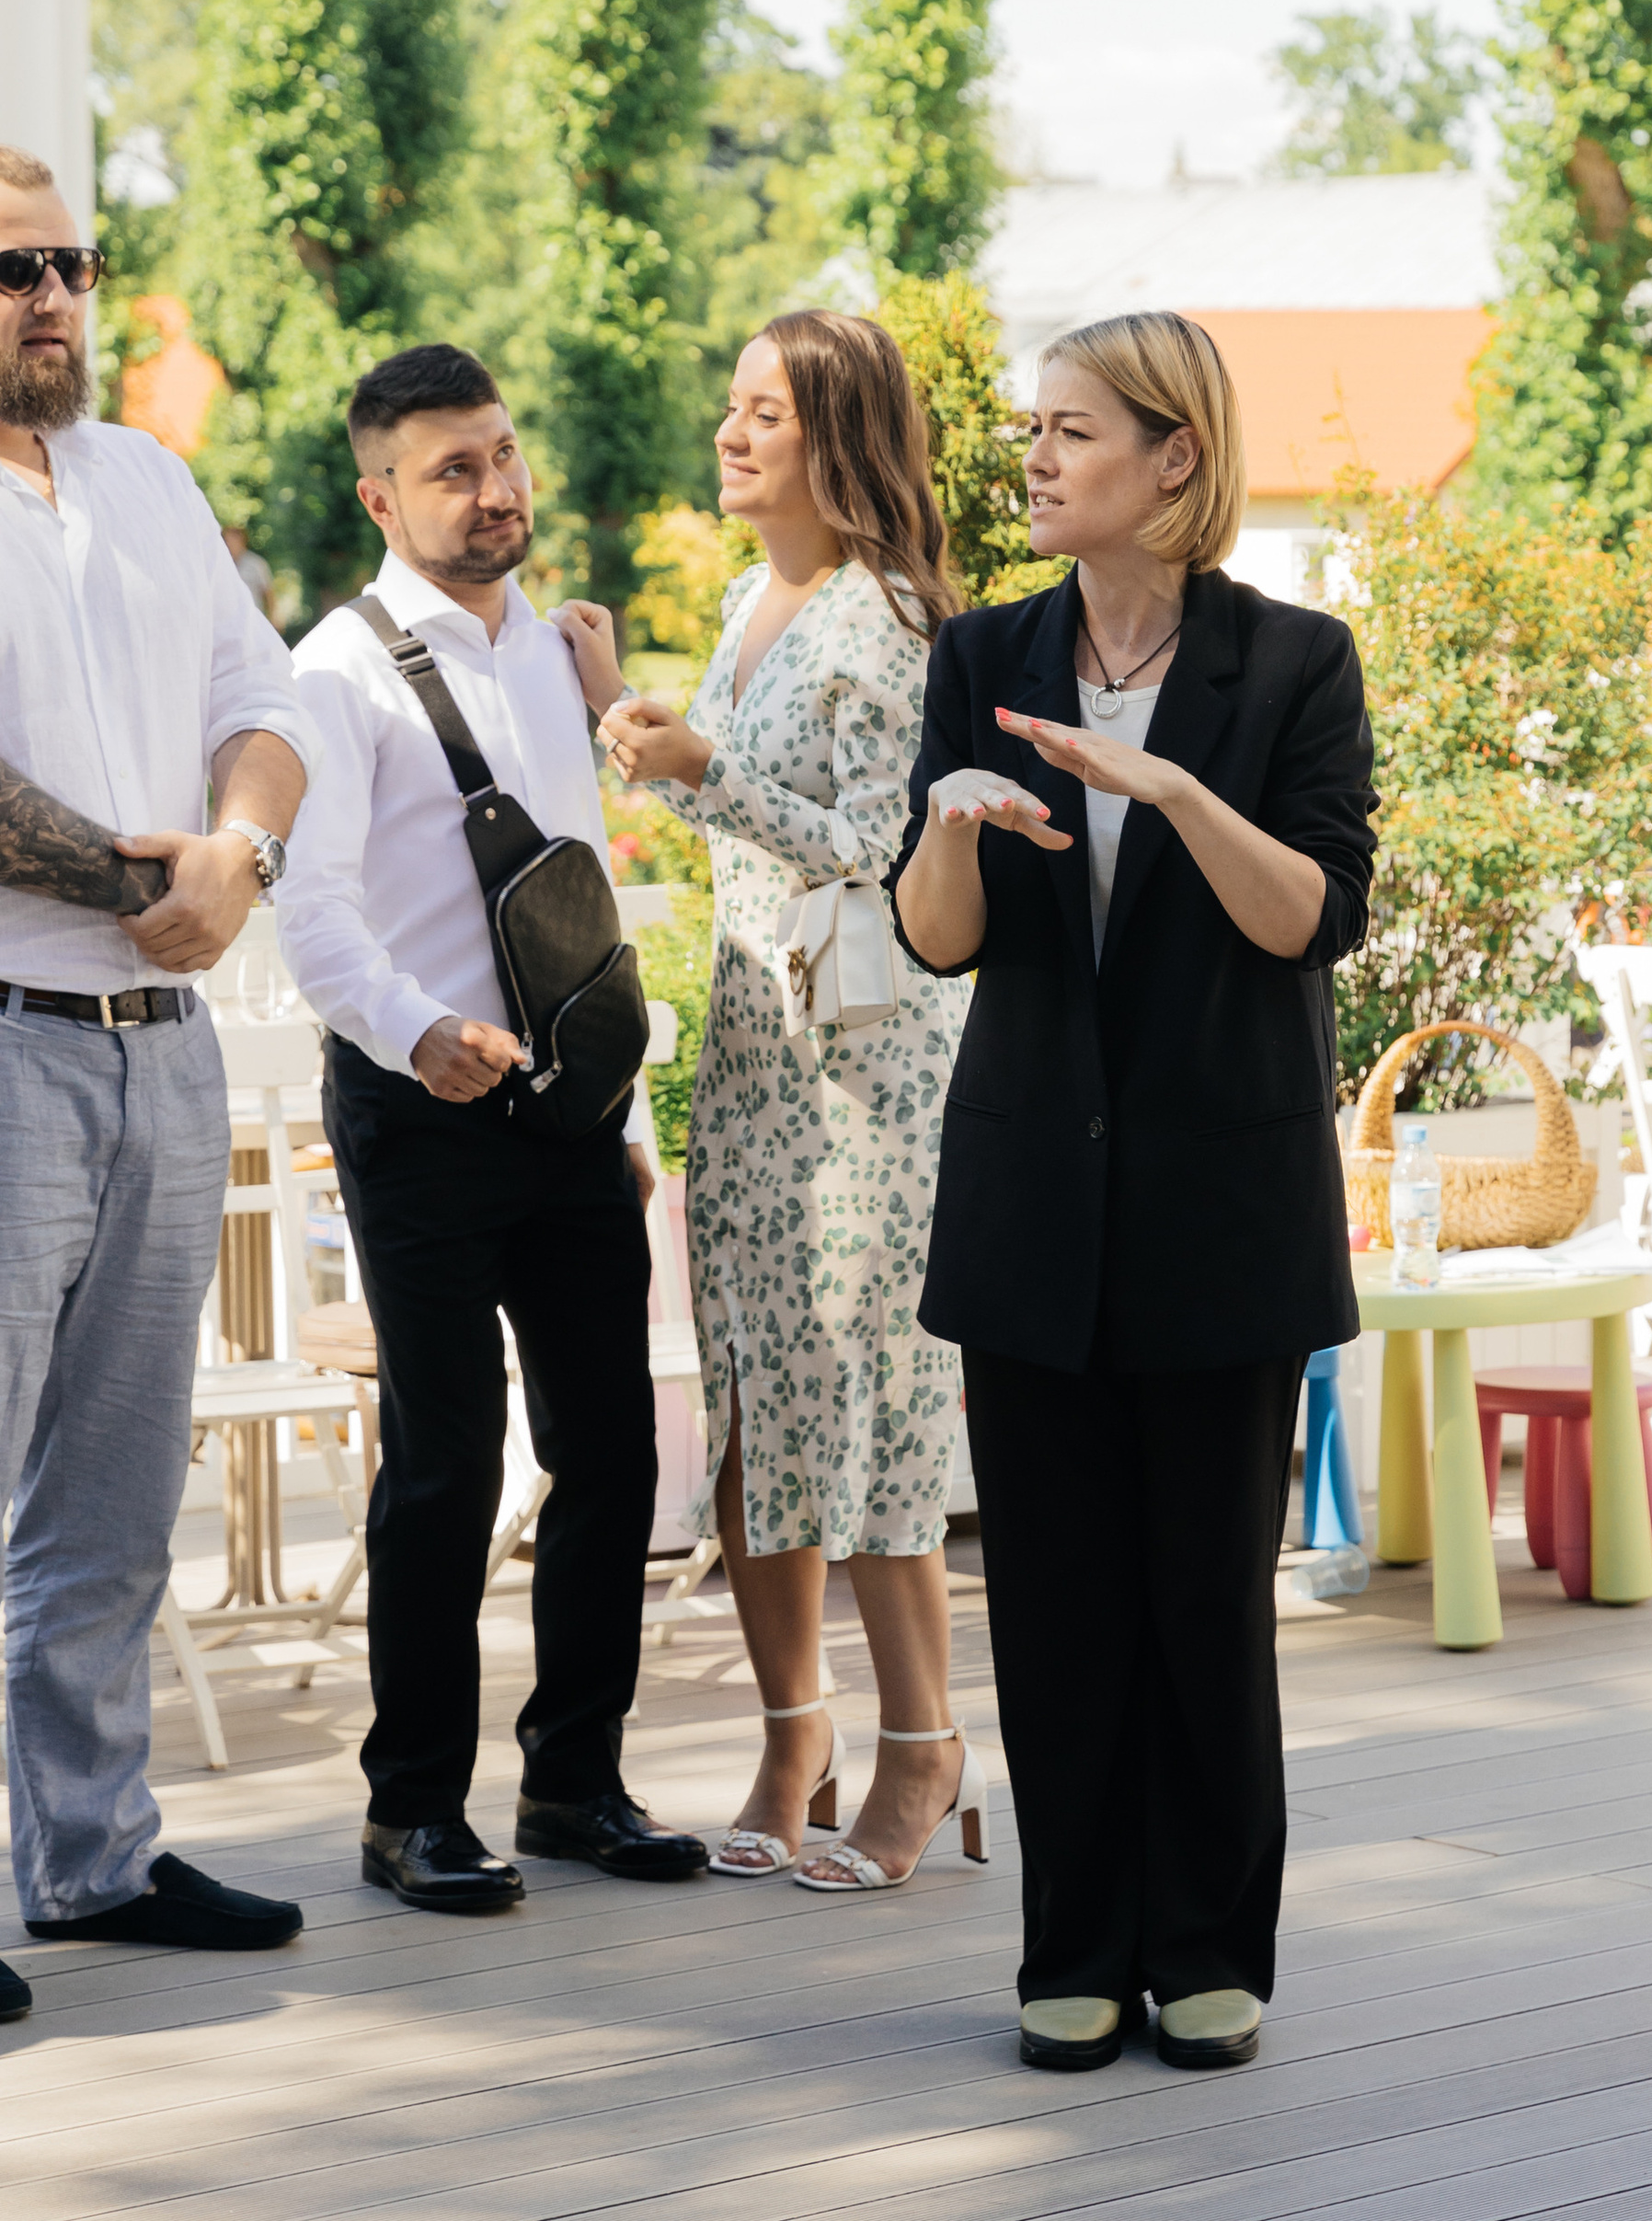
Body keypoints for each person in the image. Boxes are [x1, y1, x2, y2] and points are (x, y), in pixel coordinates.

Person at [891, 310, 1375, 2076]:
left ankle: (1209, 1950)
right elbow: (935, 943)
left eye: (1072, 431)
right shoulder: (981, 651)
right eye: (1033, 428)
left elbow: (1312, 917)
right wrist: (950, 821)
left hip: (1221, 1217)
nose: (1034, 458)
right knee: (1059, 1605)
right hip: (1030, 1212)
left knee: (1201, 1609)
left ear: (1174, 458)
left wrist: (1165, 786)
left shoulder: (1296, 663)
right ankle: (1073, 1948)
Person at [275, 344, 705, 1916]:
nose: (497, 487)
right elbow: (308, 919)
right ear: (380, 495)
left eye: (505, 454)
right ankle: (411, 1813)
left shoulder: (555, 651)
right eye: (455, 468)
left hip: (572, 1120)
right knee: (446, 1468)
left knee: (608, 1450)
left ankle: (576, 1783)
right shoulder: (332, 673)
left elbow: (580, 917)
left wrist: (625, 1108)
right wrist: (420, 1033)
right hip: (421, 1114)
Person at [569, 313, 981, 1894]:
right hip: (753, 1050)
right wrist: (624, 704)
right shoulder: (753, 599)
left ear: (841, 439)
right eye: (729, 405)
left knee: (869, 1400)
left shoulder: (886, 618)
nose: (731, 434)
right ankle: (792, 1734)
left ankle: (924, 1747)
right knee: (753, 1402)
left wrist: (690, 771)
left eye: (767, 413)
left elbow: (881, 841)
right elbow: (730, 800)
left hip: (869, 1070)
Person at [0, 144, 310, 2009]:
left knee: (114, 1502)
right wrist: (150, 878)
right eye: (8, 269)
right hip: (9, 1043)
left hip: (162, 1060)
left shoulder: (149, 480)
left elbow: (260, 710)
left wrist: (237, 859)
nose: (47, 298)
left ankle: (93, 1862)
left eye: (67, 264)